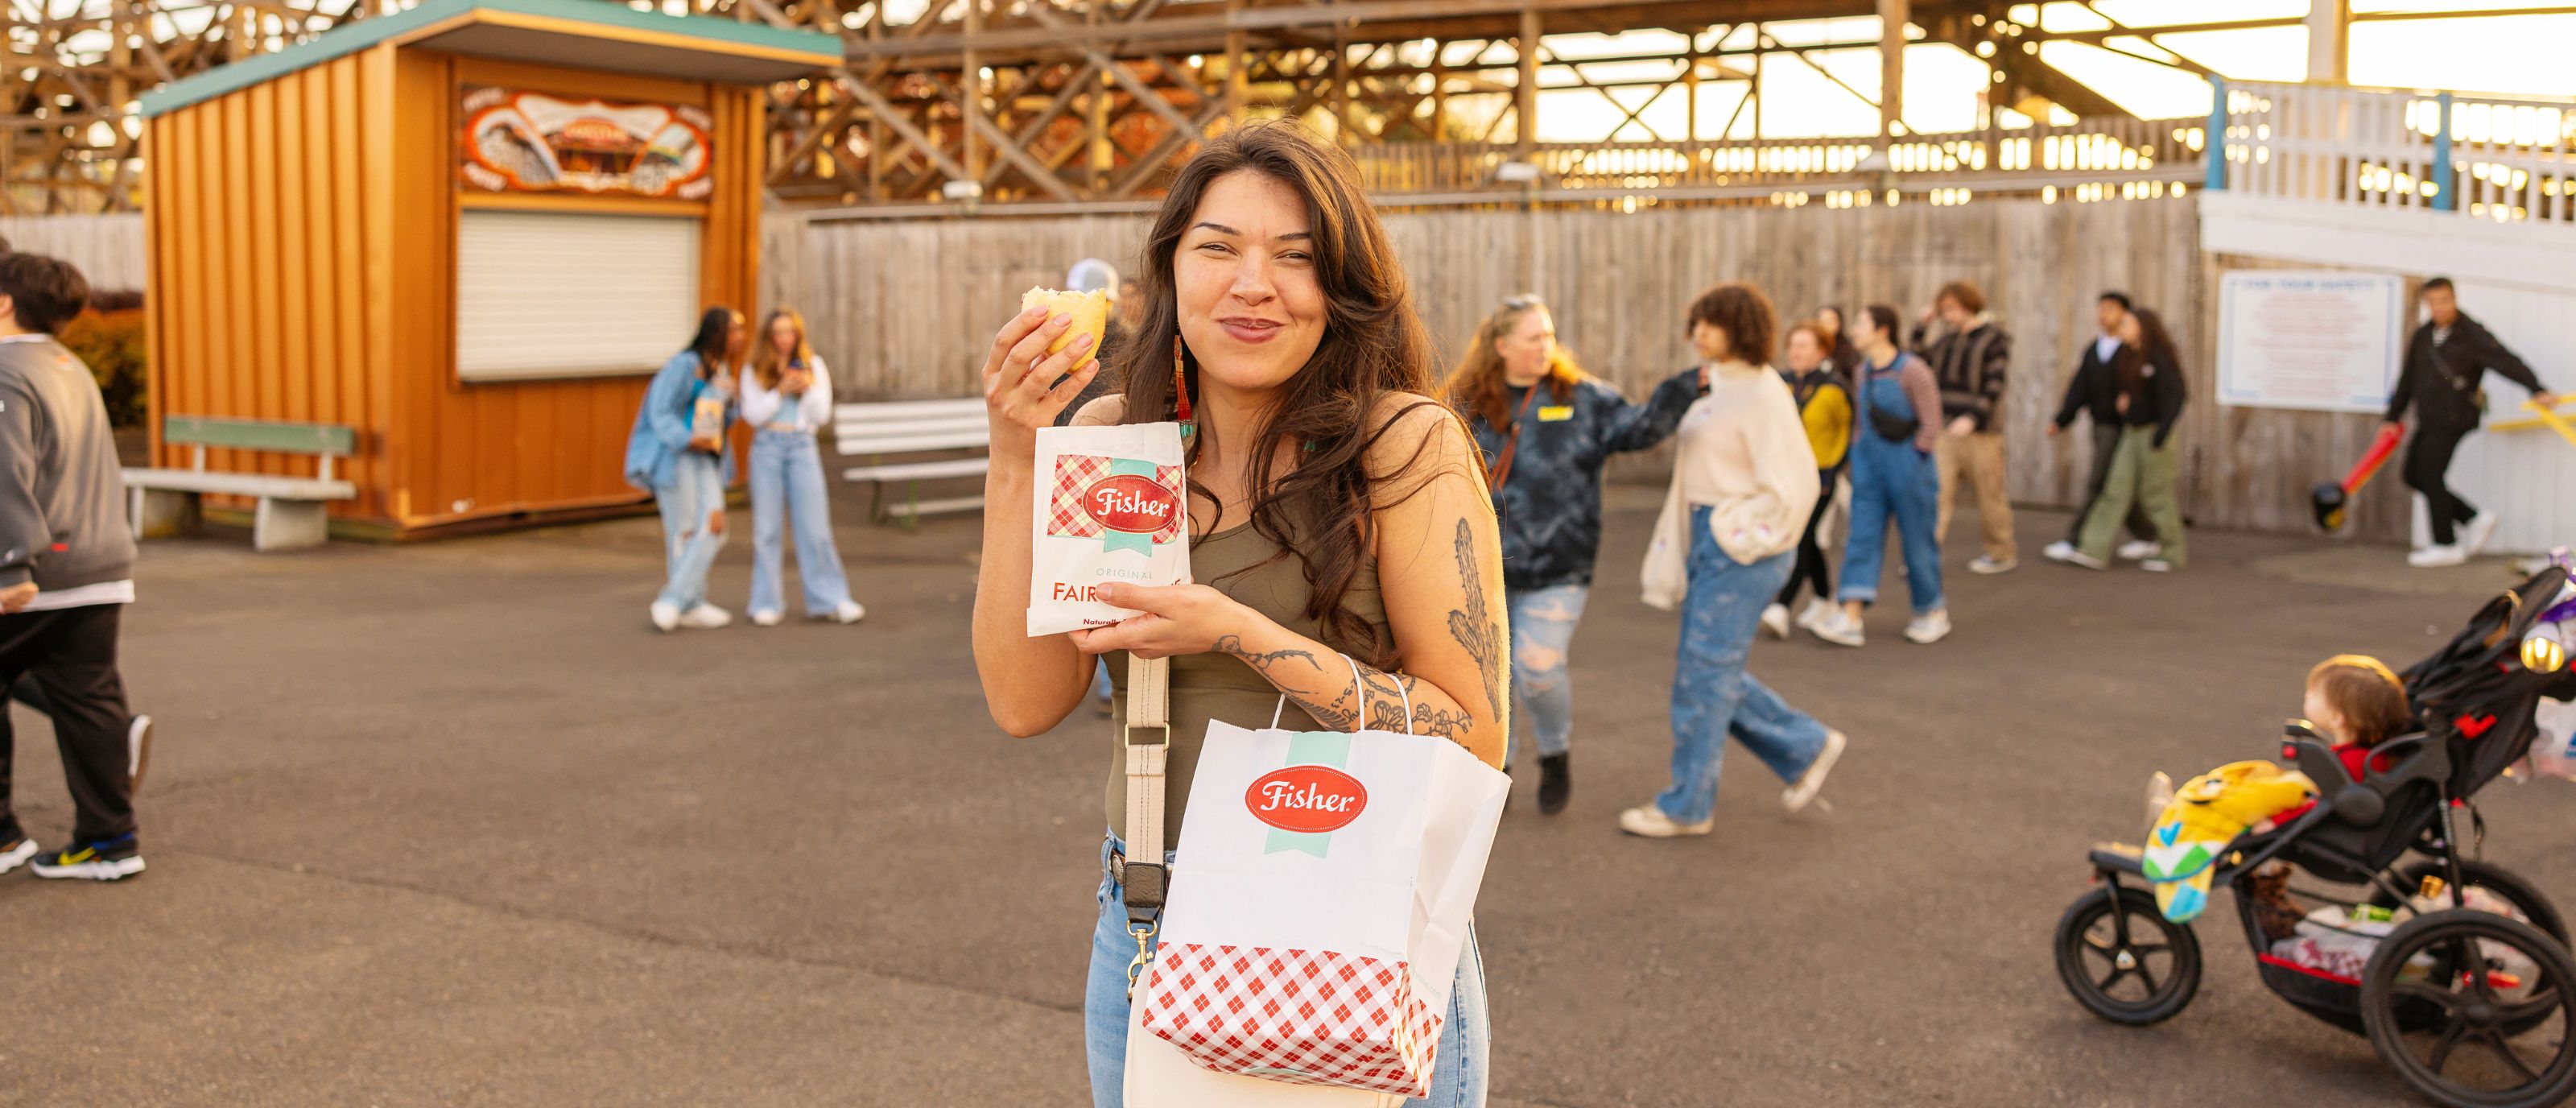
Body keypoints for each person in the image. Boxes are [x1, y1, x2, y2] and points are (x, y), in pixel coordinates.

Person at [967, 121, 1505, 1107]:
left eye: (1295, 258)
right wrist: (1013, 457)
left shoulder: (1403, 444)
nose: (1252, 284)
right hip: (1147, 913)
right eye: (1217, 248)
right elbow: (1022, 698)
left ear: (1340, 288)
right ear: (1170, 271)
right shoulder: (1113, 438)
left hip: (1351, 914)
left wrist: (1234, 630)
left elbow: (1472, 733)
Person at [1444, 293, 1701, 814]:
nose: (1546, 346)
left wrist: (1681, 390)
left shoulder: (1582, 398)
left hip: (1560, 565)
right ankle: (1500, 768)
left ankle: (1555, 752)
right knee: (1491, 676)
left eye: (1550, 336)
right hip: (1481, 568)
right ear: (1501, 345)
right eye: (1534, 337)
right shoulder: (1465, 402)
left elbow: (1640, 430)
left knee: (1537, 668)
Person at [1623, 283, 1847, 839]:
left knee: (1703, 674)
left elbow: (1794, 487)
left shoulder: (1762, 394)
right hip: (1711, 535)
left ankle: (1688, 805)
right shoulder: (1714, 384)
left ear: (1740, 328)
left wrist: (1733, 532)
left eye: (1713, 322)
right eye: (1697, 321)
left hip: (1737, 543)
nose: (1700, 331)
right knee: (1710, 670)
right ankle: (1807, 744)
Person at [0, 251, 151, 881]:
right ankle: (110, 841)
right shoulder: (67, 364)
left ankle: (4, 836)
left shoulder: (6, 371)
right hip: (100, 562)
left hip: (40, 572)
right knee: (87, 696)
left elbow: (6, 476)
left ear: (5, 303)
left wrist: (10, 569)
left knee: (75, 694)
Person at [2383, 277, 2558, 568]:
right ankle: (2472, 518)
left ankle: (2446, 544)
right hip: (2427, 417)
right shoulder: (2424, 335)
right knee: (2412, 475)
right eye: (2433, 302)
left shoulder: (2471, 334)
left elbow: (2505, 360)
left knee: (2430, 474)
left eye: (2445, 300)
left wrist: (2536, 387)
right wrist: (2392, 417)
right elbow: (2407, 379)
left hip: (2454, 417)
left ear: (2454, 299)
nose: (2439, 307)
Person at [1811, 305, 1947, 648]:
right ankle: (1851, 614)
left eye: (1860, 323)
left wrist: (1917, 456)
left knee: (1918, 543)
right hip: (1869, 467)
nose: (1854, 329)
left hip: (1909, 467)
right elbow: (1860, 422)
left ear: (1882, 330)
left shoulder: (1912, 370)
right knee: (1861, 537)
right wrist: (1858, 457)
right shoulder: (1862, 371)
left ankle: (1930, 611)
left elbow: (1932, 421)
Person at [741, 308, 865, 627]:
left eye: (790, 332)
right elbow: (753, 415)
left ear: (798, 335)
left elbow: (821, 415)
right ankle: (766, 602)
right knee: (766, 530)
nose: (785, 339)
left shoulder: (815, 365)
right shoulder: (754, 369)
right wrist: (780, 390)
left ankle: (829, 599)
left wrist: (807, 388)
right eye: (778, 332)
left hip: (802, 447)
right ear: (769, 337)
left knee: (815, 528)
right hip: (768, 447)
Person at [625, 307, 741, 632]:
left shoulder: (722, 369)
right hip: (676, 458)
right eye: (734, 330)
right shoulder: (683, 365)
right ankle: (687, 602)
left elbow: (723, 420)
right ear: (716, 332)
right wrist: (687, 438)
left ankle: (676, 599)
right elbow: (659, 410)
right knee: (685, 530)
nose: (740, 337)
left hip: (708, 460)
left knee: (715, 526)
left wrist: (730, 400)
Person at [2063, 308, 2189, 572]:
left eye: (2127, 324)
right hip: (2131, 433)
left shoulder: (2158, 356)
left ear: (2143, 326)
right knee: (2114, 489)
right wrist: (2126, 401)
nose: (2122, 329)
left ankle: (2172, 552)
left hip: (2154, 434)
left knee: (2156, 494)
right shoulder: (2128, 355)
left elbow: (2175, 396)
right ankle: (2093, 549)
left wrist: (2162, 432)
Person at [2042, 291, 2160, 565]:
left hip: (2127, 428)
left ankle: (2077, 539)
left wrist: (2136, 405)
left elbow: (2152, 387)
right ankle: (2148, 536)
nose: (2103, 314)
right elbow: (2079, 388)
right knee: (2117, 484)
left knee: (2100, 481)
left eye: (2110, 309)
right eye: (2101, 309)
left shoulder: (2133, 350)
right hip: (2102, 425)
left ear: (2126, 314)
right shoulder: (2095, 348)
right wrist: (2061, 420)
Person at [1910, 279, 2017, 573]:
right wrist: (1922, 326)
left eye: (1952, 309)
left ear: (1968, 306)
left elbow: (1995, 384)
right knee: (1936, 493)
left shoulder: (1994, 339)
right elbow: (1919, 363)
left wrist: (1972, 417)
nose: (1947, 315)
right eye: (1943, 309)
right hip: (1945, 429)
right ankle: (1924, 556)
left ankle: (2000, 552)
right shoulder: (1946, 341)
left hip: (1982, 433)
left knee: (1990, 493)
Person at [1761, 321, 1852, 639]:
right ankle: (1824, 598)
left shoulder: (1835, 388)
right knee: (1808, 539)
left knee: (1800, 536)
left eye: (1804, 346)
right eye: (1793, 345)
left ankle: (1781, 606)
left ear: (1822, 351)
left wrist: (1834, 472)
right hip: (1782, 476)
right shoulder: (1778, 383)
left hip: (1820, 477)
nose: (1796, 352)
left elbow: (1845, 432)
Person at [1814, 304, 1861, 378]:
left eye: (1830, 321)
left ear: (1839, 323)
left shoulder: (1848, 350)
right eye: (1822, 321)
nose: (1825, 325)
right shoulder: (1813, 346)